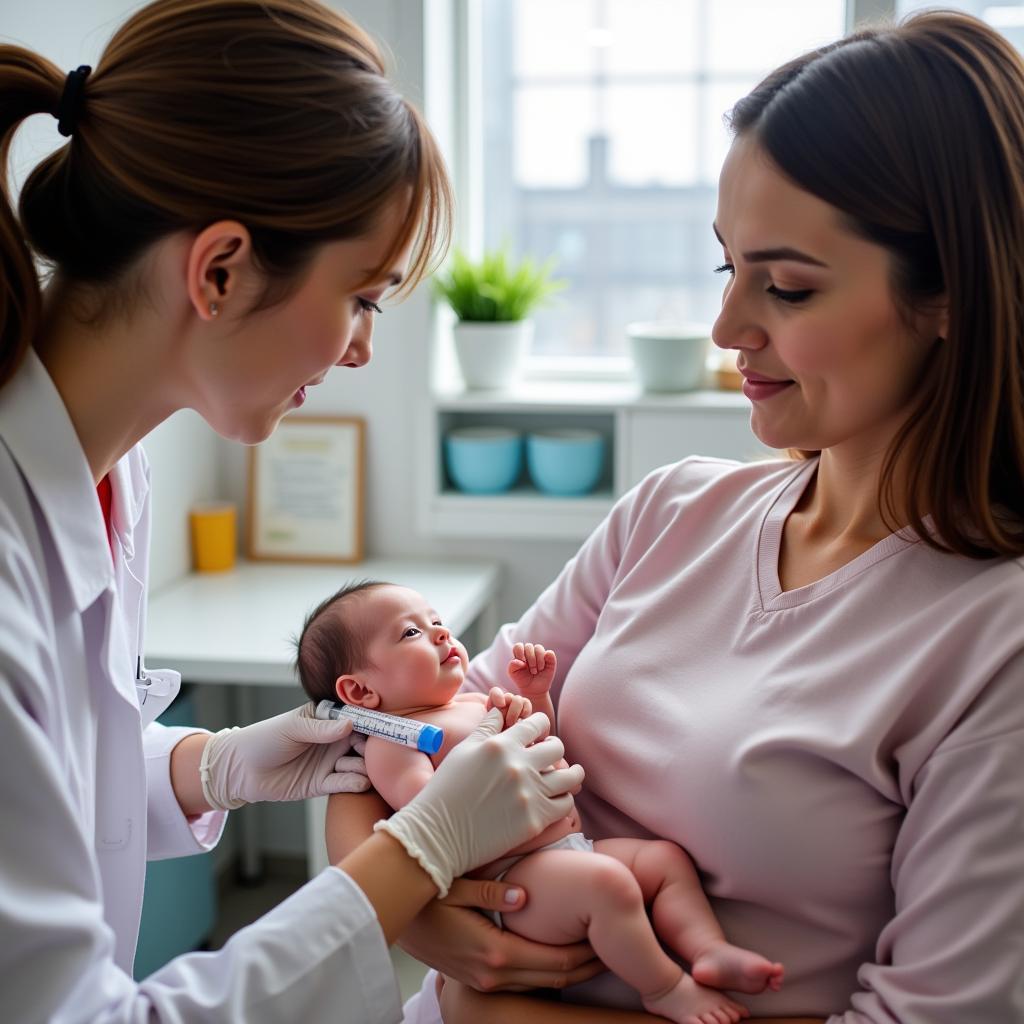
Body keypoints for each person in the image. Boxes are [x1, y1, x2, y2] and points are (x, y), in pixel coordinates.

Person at [326, 10, 1024, 1024]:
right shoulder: (673, 510)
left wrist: (503, 1011)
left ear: (951, 291)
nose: (727, 328)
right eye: (725, 268)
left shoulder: (990, 636)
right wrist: (392, 900)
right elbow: (404, 724)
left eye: (785, 285)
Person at [0, 1, 587, 1020]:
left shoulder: (109, 470)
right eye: (360, 296)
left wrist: (209, 765)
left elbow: (49, 789)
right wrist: (418, 850)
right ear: (219, 269)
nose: (360, 349)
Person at [296, 580, 786, 1024]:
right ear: (359, 689)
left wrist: (534, 697)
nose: (442, 635)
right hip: (514, 878)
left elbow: (539, 741)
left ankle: (708, 949)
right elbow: (429, 815)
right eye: (411, 634)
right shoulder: (395, 743)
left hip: (570, 847)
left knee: (663, 860)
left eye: (438, 623)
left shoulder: (470, 703)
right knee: (608, 886)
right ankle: (666, 988)